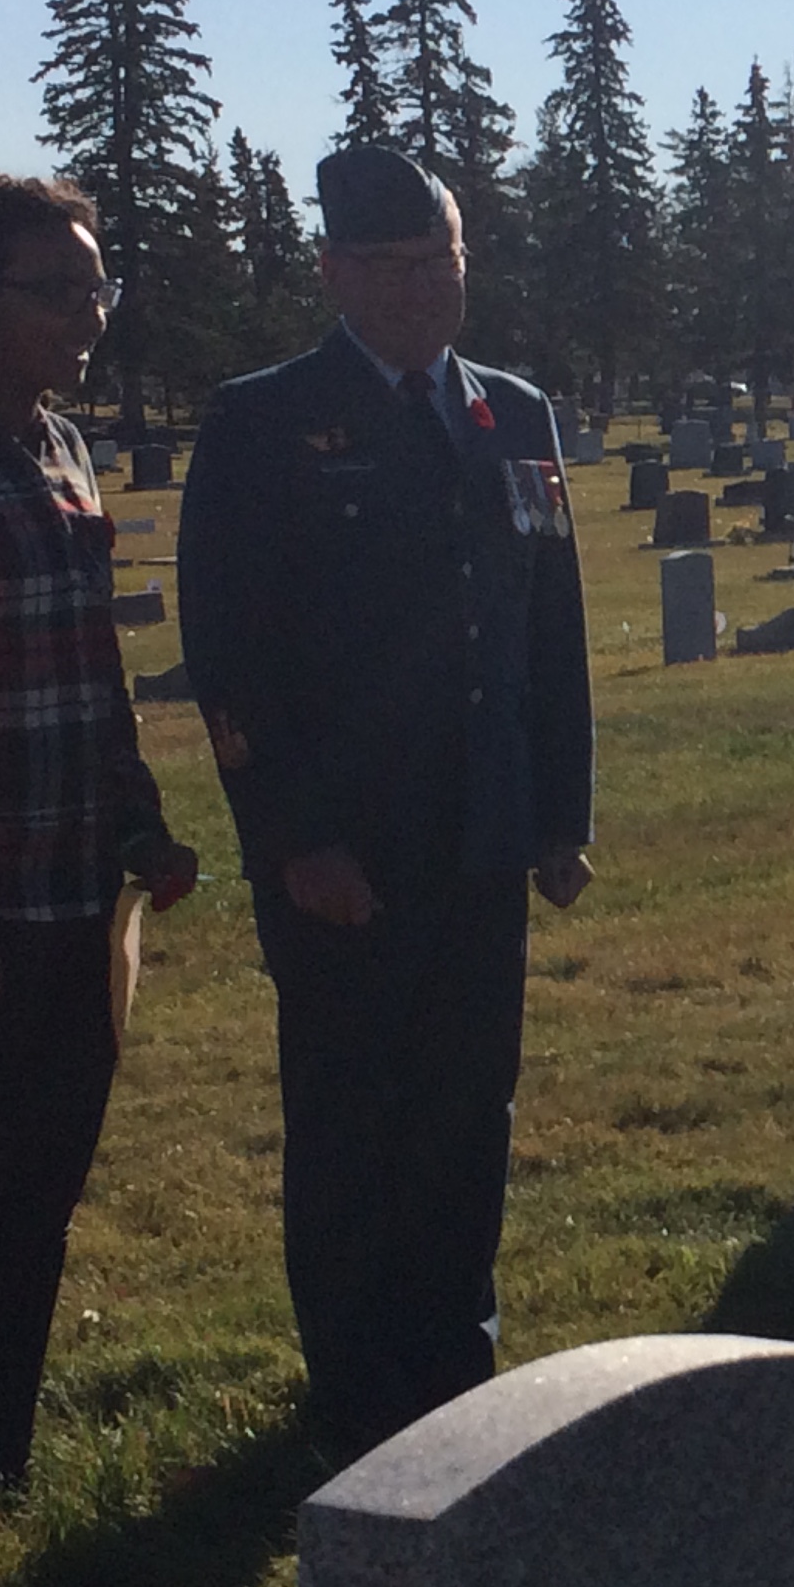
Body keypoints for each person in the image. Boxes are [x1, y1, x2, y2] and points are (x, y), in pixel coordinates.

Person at [179, 143, 592, 1460]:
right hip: (347, 848)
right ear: (335, 273)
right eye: (395, 266)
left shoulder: (510, 413)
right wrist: (295, 839)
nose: (425, 288)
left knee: (470, 1109)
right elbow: (232, 657)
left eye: (443, 261)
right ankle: (358, 1384)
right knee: (355, 1115)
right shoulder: (266, 421)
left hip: (480, 830)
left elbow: (549, 622)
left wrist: (560, 813)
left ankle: (454, 1357)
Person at [0, 168, 200, 1504]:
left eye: (97, 288)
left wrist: (141, 825)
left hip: (73, 897)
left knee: (39, 1191)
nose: (89, 314)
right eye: (55, 289)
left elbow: (88, 670)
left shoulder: (62, 448)